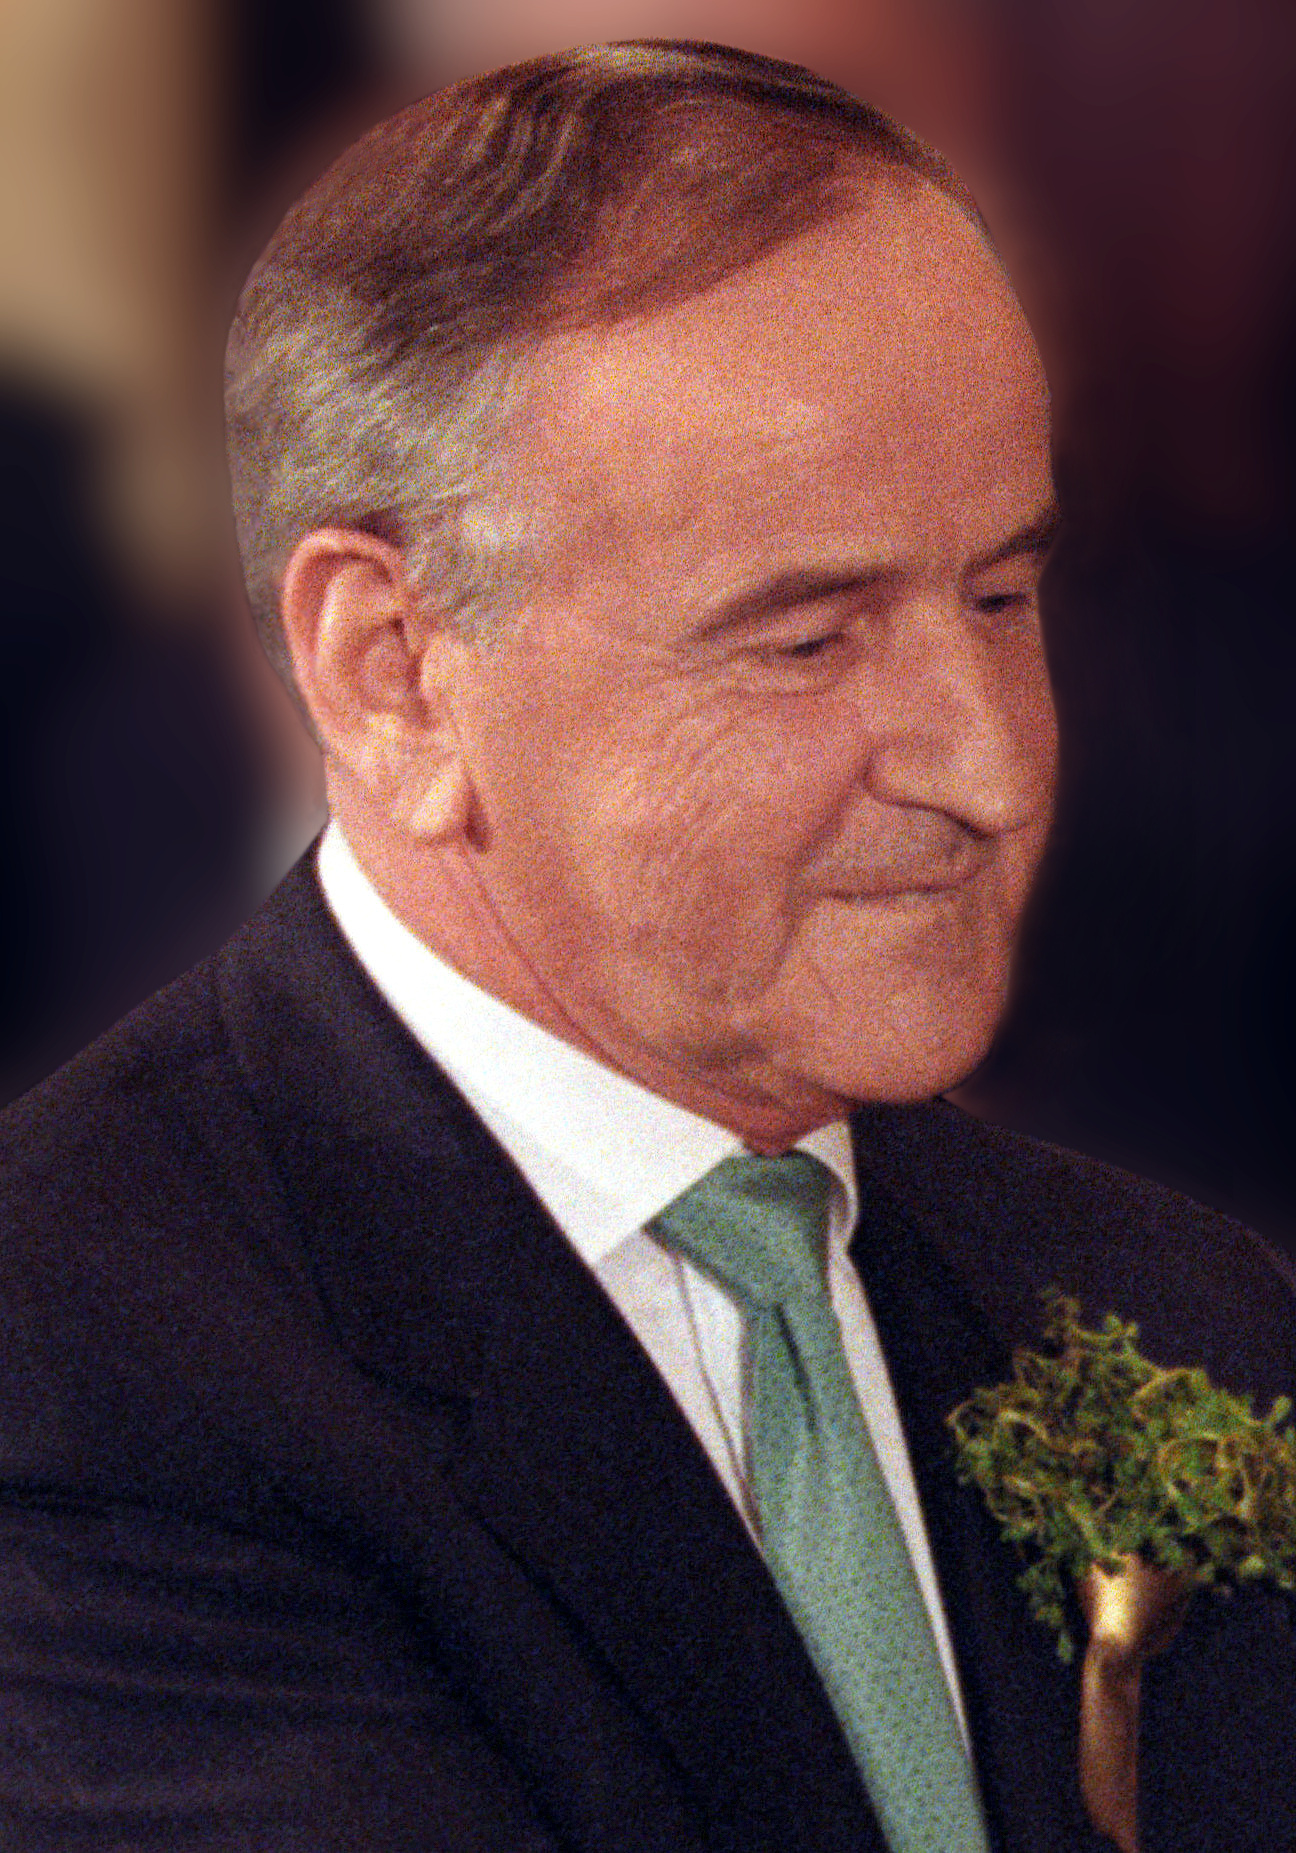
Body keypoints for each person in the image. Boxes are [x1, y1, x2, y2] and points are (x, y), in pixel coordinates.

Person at [0, 41, 1293, 1853]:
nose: (994, 768)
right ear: (392, 674)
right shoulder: (76, 1374)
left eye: (1004, 595)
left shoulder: (1182, 1310)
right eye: (807, 643)